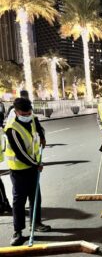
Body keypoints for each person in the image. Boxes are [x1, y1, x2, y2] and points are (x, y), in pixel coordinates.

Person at [5, 98, 51, 246]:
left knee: (35, 196)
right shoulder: (12, 128)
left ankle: (36, 223)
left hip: (32, 167)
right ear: (16, 112)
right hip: (19, 169)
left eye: (29, 112)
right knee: (19, 200)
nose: (27, 115)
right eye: (24, 113)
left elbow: (37, 125)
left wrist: (42, 136)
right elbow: (20, 153)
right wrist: (35, 164)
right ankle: (17, 231)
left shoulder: (31, 117)